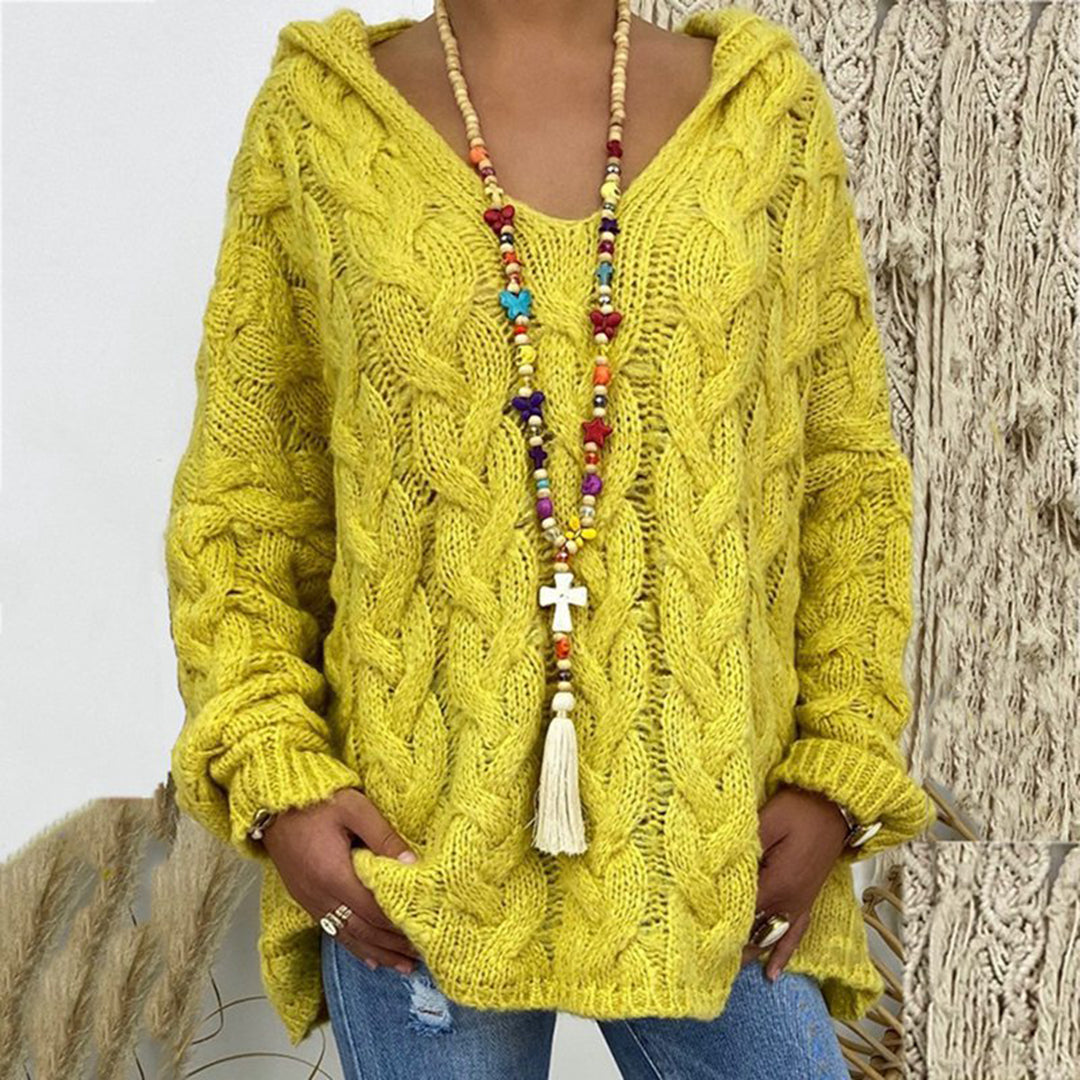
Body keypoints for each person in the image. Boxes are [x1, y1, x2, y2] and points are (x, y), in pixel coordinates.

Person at [163, 1, 936, 1076]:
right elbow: (246, 503)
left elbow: (845, 478)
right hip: (414, 858)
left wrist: (838, 770)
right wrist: (276, 777)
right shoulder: (320, 122)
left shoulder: (762, 114)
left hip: (717, 842)